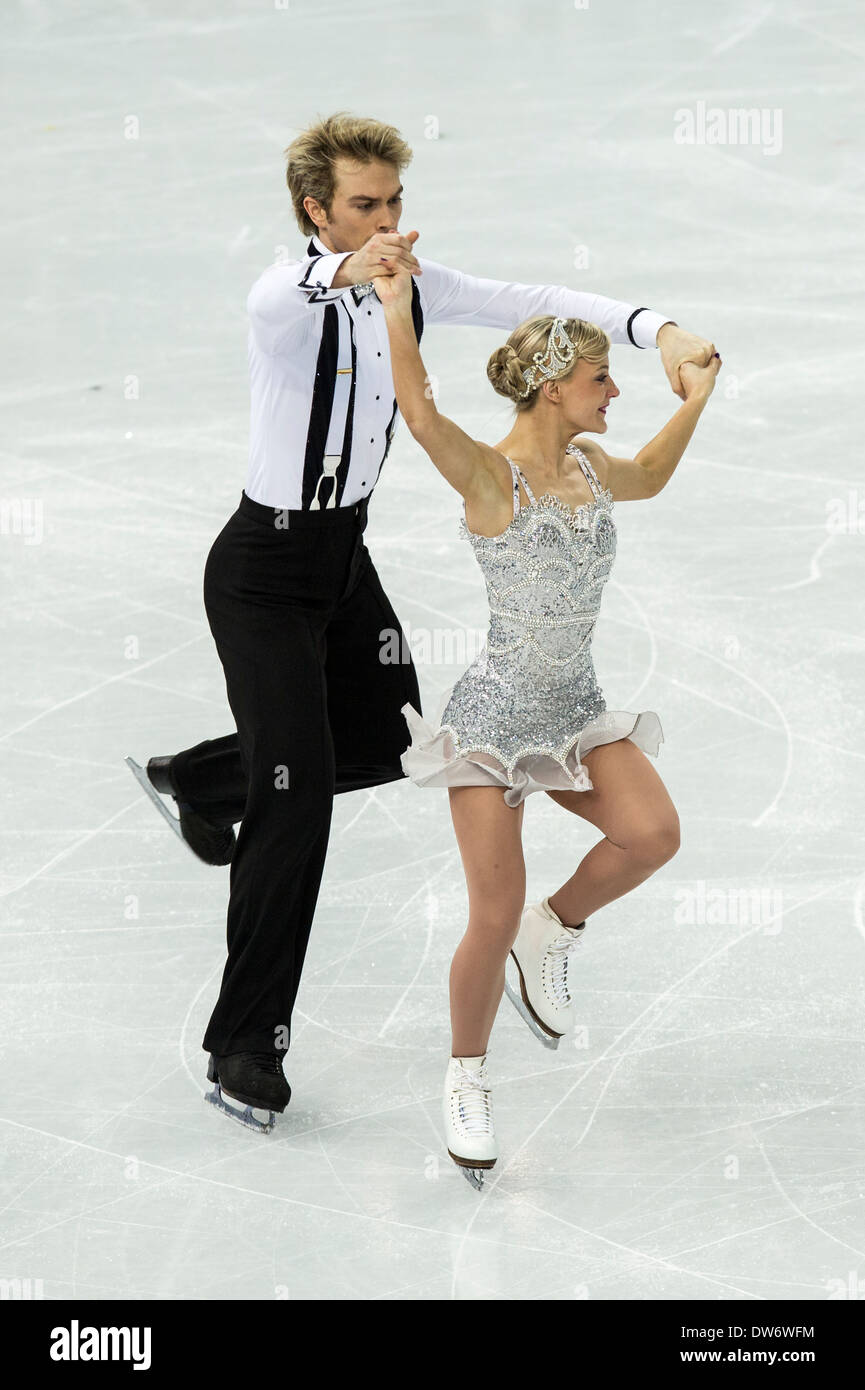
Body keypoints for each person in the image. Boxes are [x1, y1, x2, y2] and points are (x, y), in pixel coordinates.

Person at [125, 112, 716, 1133]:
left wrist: (652, 328)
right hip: (262, 569)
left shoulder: (409, 280)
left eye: (397, 202)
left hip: (339, 562)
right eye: (366, 206)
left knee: (392, 735)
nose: (391, 224)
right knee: (298, 794)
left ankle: (203, 777)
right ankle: (245, 1043)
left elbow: (531, 298)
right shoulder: (285, 292)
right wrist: (365, 270)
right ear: (317, 210)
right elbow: (315, 285)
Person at [374, 265, 721, 1187]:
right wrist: (396, 308)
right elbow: (417, 412)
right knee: (488, 913)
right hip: (493, 719)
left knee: (651, 834)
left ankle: (555, 926)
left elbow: (647, 472)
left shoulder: (591, 468)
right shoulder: (491, 478)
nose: (615, 392)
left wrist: (699, 396)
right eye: (602, 379)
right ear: (553, 385)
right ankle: (466, 1077)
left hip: (573, 707)